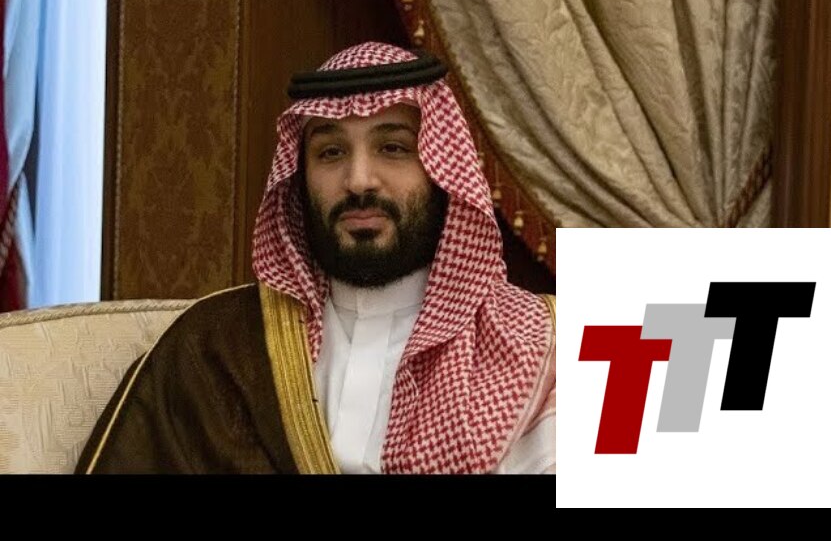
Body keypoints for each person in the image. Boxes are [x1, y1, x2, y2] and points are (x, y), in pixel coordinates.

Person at [76, 41, 555, 474]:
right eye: (330, 153)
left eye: (392, 148)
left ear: (444, 171)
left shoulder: (554, 342)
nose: (359, 180)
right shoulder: (216, 347)